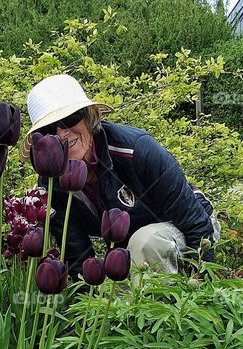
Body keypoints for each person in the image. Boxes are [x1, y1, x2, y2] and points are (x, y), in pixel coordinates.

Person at [22, 74, 219, 277]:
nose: (62, 133)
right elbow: (77, 257)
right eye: (49, 129)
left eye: (70, 119)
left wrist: (201, 283)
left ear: (88, 116)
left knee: (146, 242)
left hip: (190, 227)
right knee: (122, 281)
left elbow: (196, 223)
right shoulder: (52, 184)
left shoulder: (136, 150)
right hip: (130, 249)